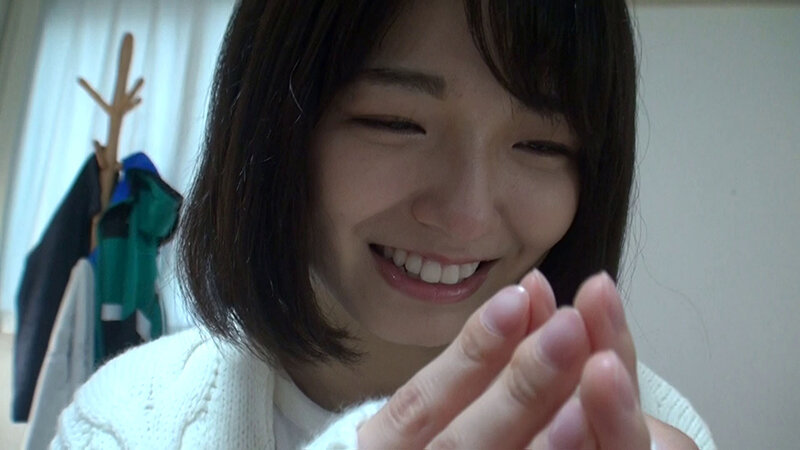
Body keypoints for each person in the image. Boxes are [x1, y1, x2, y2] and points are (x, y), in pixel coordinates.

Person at [51, 0, 716, 448]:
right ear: (271, 131)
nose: (466, 216)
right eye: (394, 123)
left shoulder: (649, 428)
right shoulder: (126, 424)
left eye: (541, 145)